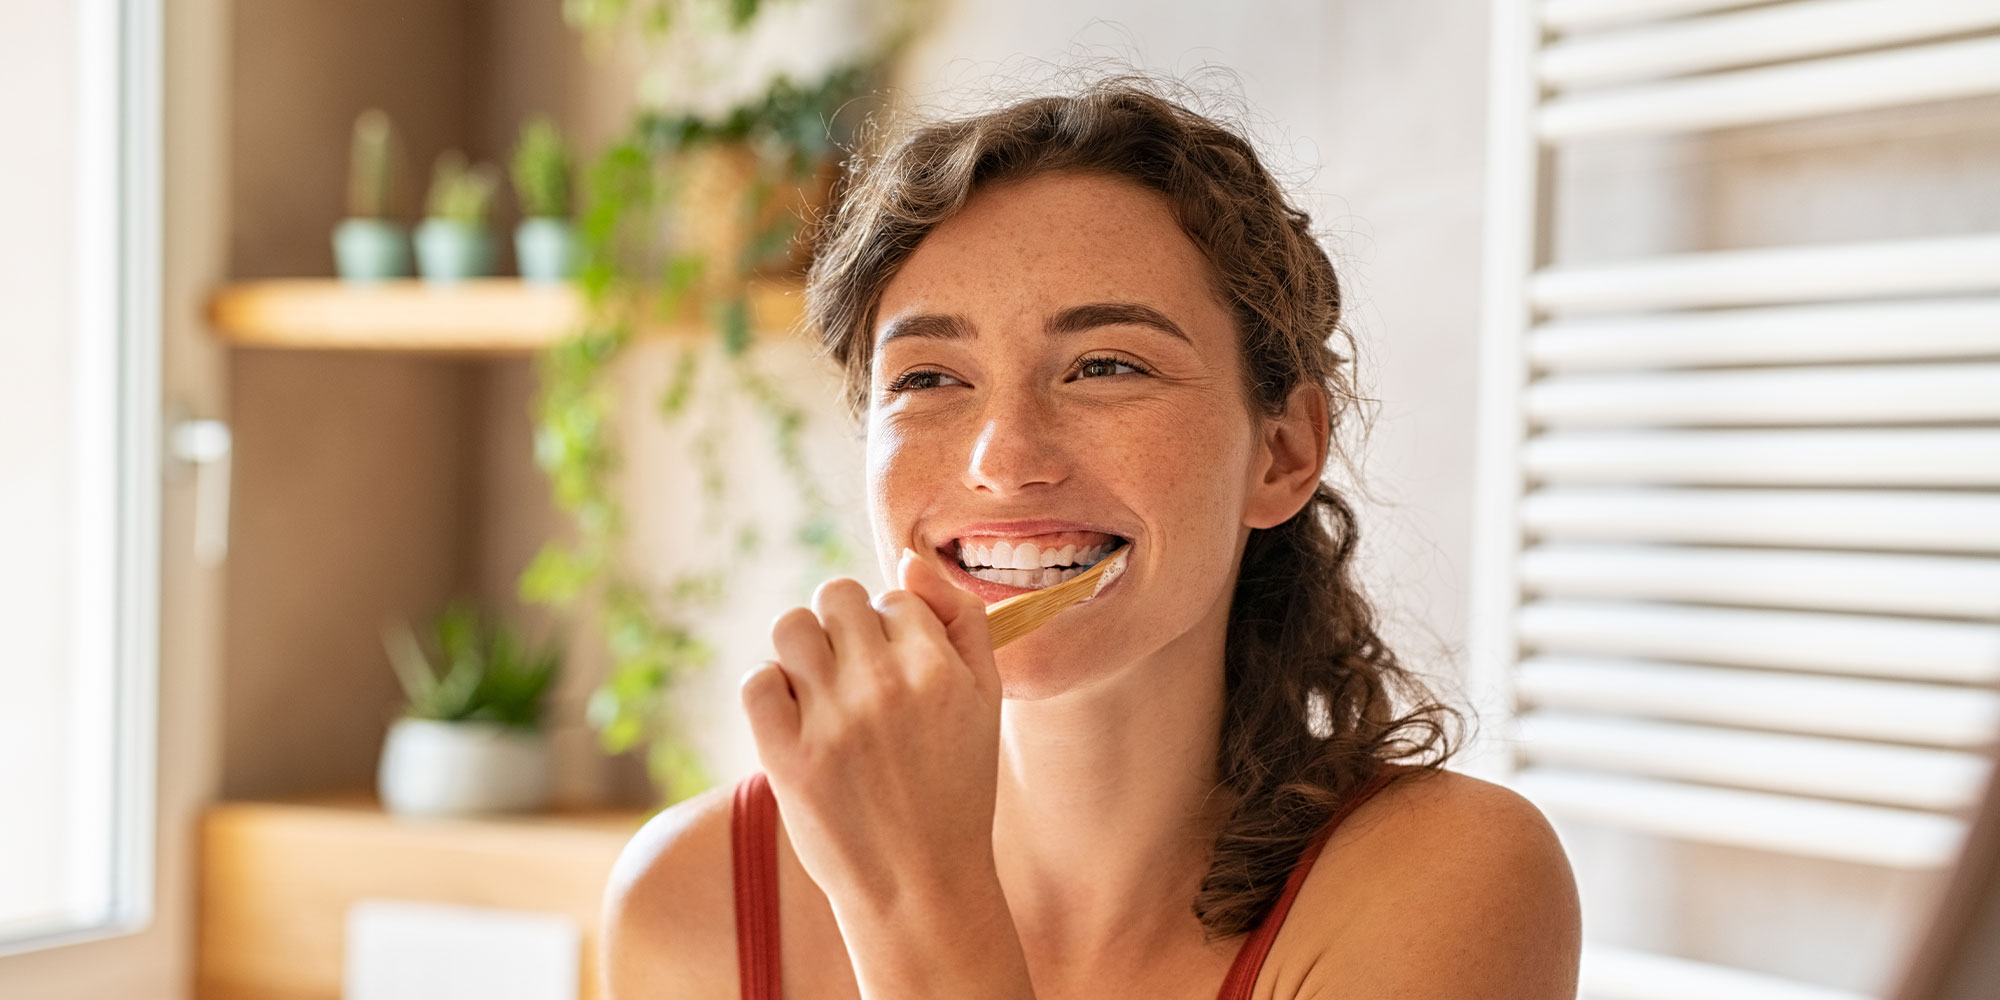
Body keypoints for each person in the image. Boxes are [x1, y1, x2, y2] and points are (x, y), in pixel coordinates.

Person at [602, 79, 1581, 999]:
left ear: (1280, 453)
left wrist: (913, 894)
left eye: (1105, 365)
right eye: (928, 378)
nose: (1003, 457)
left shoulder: (1446, 882)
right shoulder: (692, 900)